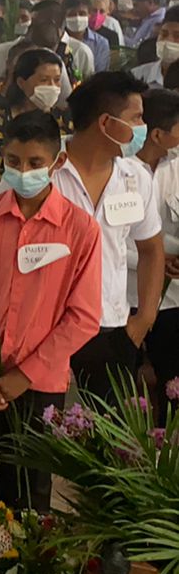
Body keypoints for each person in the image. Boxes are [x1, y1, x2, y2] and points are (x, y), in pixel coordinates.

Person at [0, 111, 102, 510]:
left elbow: (83, 316)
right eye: (13, 161)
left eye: (35, 163)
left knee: (30, 489)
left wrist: (25, 374)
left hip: (40, 383)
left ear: (58, 162)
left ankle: (24, 550)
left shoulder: (80, 230)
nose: (23, 171)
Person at [52, 71, 164, 402]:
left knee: (108, 427)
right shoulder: (43, 169)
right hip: (47, 328)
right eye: (137, 118)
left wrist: (144, 318)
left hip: (113, 329)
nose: (143, 128)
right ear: (105, 123)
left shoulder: (136, 176)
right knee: (44, 424)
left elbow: (151, 249)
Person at [133, 88, 179, 400]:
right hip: (126, 294)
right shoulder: (118, 169)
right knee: (123, 386)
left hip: (172, 300)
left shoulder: (176, 168)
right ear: (158, 135)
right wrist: (158, 258)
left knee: (170, 384)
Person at [0, 47, 67, 189]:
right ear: (21, 82)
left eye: (56, 80)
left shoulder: (65, 121)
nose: (52, 87)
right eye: (44, 80)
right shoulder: (0, 120)